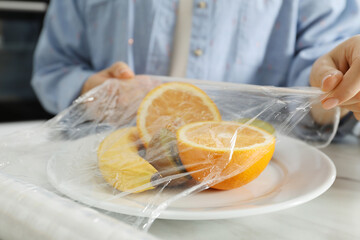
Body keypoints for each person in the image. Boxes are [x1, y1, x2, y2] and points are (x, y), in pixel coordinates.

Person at [31, 0, 360, 136]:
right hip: (101, 179)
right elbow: (54, 68)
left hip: (259, 186)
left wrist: (339, 87)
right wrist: (95, 91)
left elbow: (314, 87)